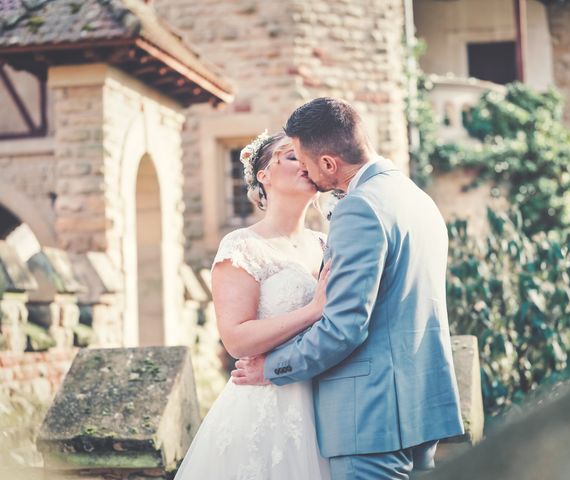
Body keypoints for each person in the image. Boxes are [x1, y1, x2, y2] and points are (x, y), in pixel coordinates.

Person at [233, 98, 465, 480]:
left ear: (328, 163)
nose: (304, 171)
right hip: (419, 407)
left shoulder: (360, 208)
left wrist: (270, 369)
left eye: (304, 162)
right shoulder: (415, 198)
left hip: (370, 416)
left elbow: (344, 327)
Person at [174, 131, 331, 479]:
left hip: (326, 401)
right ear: (264, 175)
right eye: (292, 157)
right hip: (266, 404)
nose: (305, 164)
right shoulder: (242, 246)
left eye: (308, 157)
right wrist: (312, 310)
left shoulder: (326, 245)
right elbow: (237, 339)